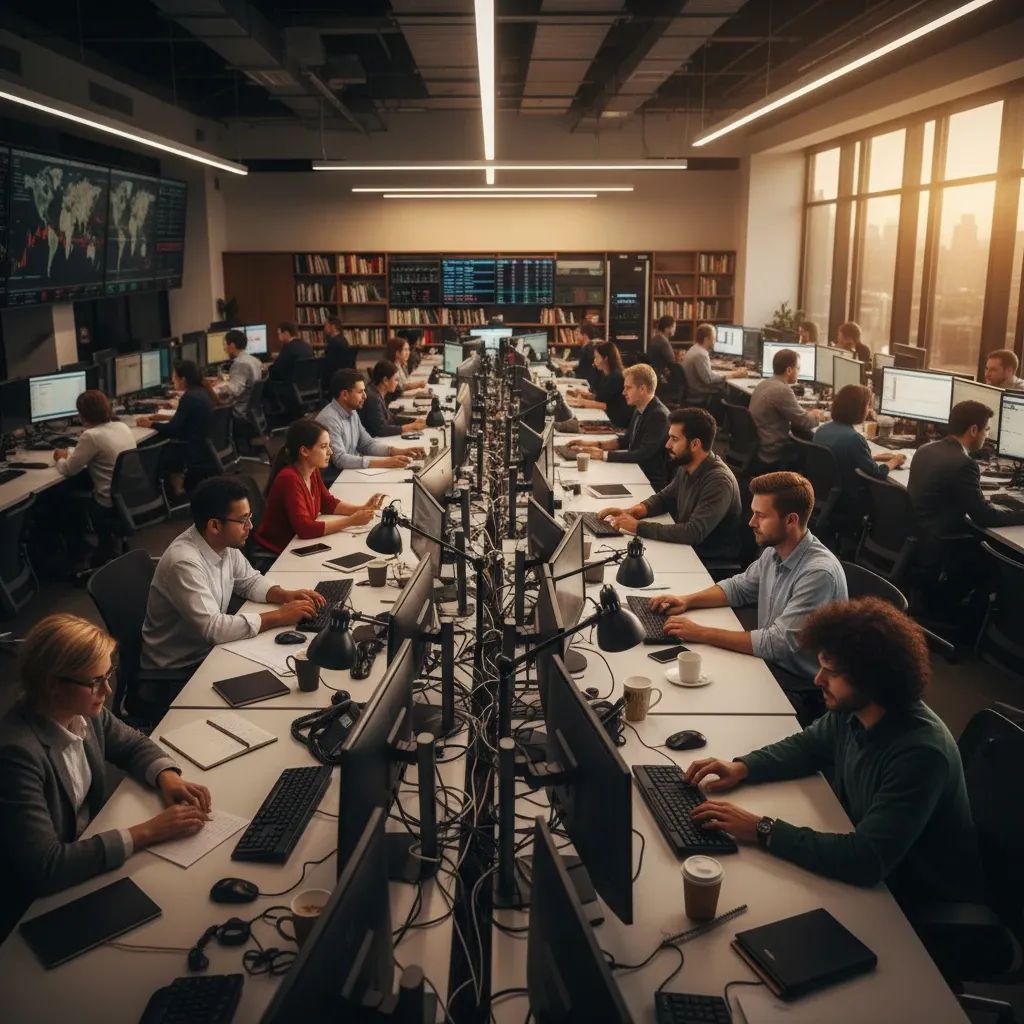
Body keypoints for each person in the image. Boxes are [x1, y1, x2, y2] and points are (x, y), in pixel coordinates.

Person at [683, 597, 982, 911]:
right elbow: (809, 746)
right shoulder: (855, 708)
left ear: (873, 680)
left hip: (915, 897)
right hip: (877, 863)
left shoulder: (921, 754)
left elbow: (865, 861)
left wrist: (763, 829)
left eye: (831, 672)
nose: (817, 679)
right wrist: (742, 767)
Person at [0, 614, 212, 909]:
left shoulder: (81, 711)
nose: (107, 691)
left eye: (108, 675)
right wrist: (148, 832)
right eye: (95, 681)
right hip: (38, 898)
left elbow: (132, 744)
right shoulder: (17, 755)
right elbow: (45, 868)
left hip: (89, 846)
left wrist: (167, 776)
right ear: (52, 684)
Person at [651, 471, 847, 721]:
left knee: (702, 700)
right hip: (769, 665)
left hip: (801, 687)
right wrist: (687, 600)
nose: (751, 522)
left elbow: (776, 644)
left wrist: (700, 633)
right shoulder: (775, 551)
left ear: (791, 520)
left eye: (761, 515)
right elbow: (738, 588)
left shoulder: (818, 574)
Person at [142, 476, 326, 671]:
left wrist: (285, 595)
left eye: (249, 517)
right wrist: (279, 616)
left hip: (210, 649)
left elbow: (250, 581)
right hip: (181, 666)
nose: (250, 526)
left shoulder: (221, 542)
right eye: (243, 520)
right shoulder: (184, 563)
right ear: (215, 525)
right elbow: (214, 628)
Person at [597, 407, 742, 559]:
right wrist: (631, 512)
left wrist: (637, 527)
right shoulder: (687, 465)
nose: (667, 445)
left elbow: (693, 532)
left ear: (695, 444)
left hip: (705, 560)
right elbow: (664, 499)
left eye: (674, 439)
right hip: (684, 549)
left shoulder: (719, 482)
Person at [908, 400, 1024, 564]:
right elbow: (984, 517)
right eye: (987, 430)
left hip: (919, 541)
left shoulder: (925, 449)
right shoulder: (964, 464)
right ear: (974, 430)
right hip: (941, 549)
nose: (987, 436)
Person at [252, 419, 384, 555]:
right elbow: (305, 529)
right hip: (277, 552)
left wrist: (362, 509)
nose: (330, 452)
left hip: (296, 545)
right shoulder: (289, 479)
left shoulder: (312, 470)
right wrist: (351, 521)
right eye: (324, 447)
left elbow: (327, 503)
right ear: (304, 451)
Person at [52, 389, 137, 564]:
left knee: (59, 497)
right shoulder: (121, 426)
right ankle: (98, 546)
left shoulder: (91, 436)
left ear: (82, 415)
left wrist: (59, 457)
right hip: (129, 495)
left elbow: (69, 469)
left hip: (107, 503)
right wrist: (74, 451)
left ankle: (75, 553)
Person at [814, 384, 904, 530]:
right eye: (868, 405)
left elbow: (841, 457)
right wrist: (895, 460)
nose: (869, 410)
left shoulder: (823, 430)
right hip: (848, 500)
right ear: (858, 409)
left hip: (825, 495)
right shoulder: (854, 438)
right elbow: (877, 474)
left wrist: (872, 458)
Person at [568, 364, 670, 489]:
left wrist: (602, 454)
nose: (623, 392)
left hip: (648, 483)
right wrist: (589, 444)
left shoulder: (658, 416)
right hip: (634, 471)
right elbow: (626, 441)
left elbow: (642, 455)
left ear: (642, 389)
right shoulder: (641, 408)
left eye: (628, 388)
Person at [316, 369, 421, 477]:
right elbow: (340, 459)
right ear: (345, 394)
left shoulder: (352, 412)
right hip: (336, 479)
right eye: (360, 392)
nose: (365, 396)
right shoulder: (329, 419)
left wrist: (398, 451)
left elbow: (367, 444)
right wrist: (386, 462)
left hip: (349, 473)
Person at [135, 359, 217, 497]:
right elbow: (188, 419)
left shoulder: (189, 397)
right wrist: (162, 418)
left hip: (186, 448)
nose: (172, 380)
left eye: (174, 376)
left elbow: (173, 429)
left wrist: (151, 424)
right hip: (200, 446)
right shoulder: (201, 392)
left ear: (183, 379)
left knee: (147, 445)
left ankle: (154, 494)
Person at [749, 348, 827, 468]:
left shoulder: (764, 384)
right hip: (773, 451)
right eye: (798, 368)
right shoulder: (782, 390)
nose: (799, 372)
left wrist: (806, 413)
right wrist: (818, 415)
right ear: (789, 370)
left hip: (761, 444)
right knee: (813, 450)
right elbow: (804, 421)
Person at [565, 341, 631, 428]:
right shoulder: (606, 374)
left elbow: (607, 404)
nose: (594, 360)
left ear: (605, 358)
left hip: (615, 421)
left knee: (573, 424)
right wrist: (585, 395)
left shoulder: (616, 377)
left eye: (596, 357)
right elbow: (600, 396)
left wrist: (583, 402)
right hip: (606, 415)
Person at [682, 323, 746, 407]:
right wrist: (733, 375)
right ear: (706, 339)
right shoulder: (701, 354)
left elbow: (707, 374)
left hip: (692, 390)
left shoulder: (695, 348)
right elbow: (708, 379)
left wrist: (727, 373)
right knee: (733, 392)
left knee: (727, 387)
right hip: (698, 393)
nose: (715, 341)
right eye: (714, 338)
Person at [360, 360, 427, 438]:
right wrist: (410, 427)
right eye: (396, 379)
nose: (397, 383)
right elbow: (381, 430)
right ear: (385, 380)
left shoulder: (377, 392)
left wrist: (414, 420)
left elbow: (390, 418)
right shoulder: (373, 398)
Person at [219, 328, 263, 421]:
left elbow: (234, 391)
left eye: (226, 345)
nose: (225, 349)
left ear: (232, 345)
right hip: (252, 409)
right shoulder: (255, 360)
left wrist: (218, 389)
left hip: (240, 411)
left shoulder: (240, 363)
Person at [322, 316, 351, 389]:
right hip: (344, 377)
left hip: (334, 378)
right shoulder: (344, 340)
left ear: (333, 327)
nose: (324, 328)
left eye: (326, 325)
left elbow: (328, 364)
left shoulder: (333, 342)